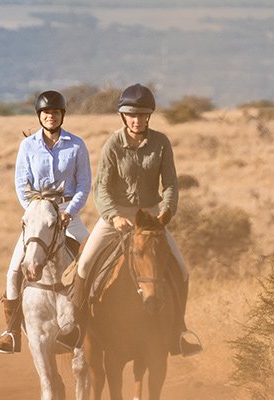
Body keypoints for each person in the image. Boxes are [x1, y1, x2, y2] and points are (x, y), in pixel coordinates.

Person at [70, 84, 203, 356]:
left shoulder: (161, 143)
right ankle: (76, 326)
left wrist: (165, 213)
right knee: (83, 264)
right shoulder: (112, 144)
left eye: (142, 115)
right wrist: (113, 217)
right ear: (123, 117)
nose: (137, 120)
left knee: (181, 268)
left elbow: (170, 186)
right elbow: (101, 189)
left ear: (149, 117)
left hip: (152, 218)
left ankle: (178, 331)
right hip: (115, 216)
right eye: (132, 115)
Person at [0, 89, 91, 353]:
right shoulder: (28, 146)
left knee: (93, 260)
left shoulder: (76, 145)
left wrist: (69, 211)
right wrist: (37, 212)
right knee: (14, 270)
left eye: (55, 113)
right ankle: (11, 331)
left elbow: (84, 184)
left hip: (68, 215)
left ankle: (95, 323)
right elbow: (20, 184)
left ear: (62, 116)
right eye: (46, 113)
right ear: (40, 116)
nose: (51, 117)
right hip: (39, 217)